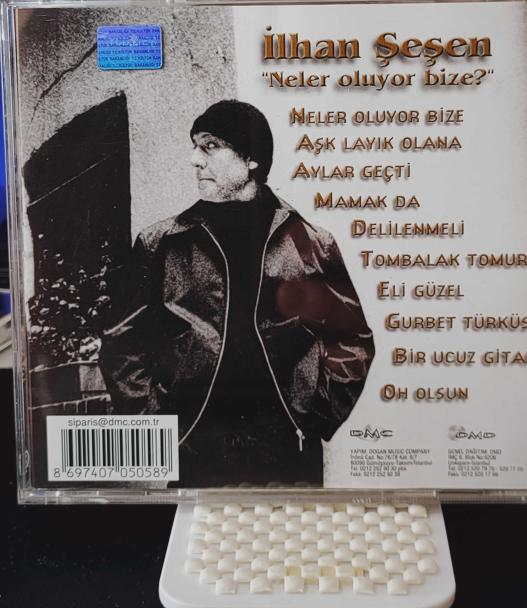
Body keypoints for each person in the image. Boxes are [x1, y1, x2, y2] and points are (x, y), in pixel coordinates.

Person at [100, 100, 374, 486]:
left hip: (287, 447)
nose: (195, 159)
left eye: (210, 146)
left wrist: (317, 416)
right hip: (195, 445)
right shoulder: (161, 243)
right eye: (195, 146)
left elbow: (351, 339)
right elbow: (121, 343)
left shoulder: (311, 244)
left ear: (251, 159)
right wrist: (160, 426)